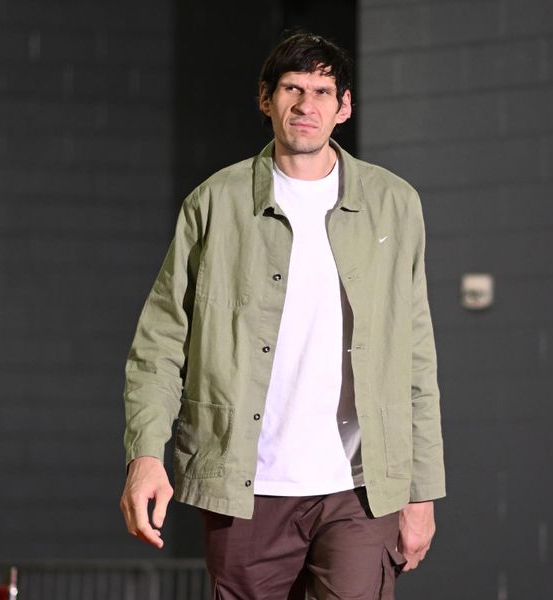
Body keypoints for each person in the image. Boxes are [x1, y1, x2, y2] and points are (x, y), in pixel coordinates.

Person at [120, 31, 445, 599]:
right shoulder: (214, 203)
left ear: (343, 107)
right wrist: (146, 455)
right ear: (265, 99)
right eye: (292, 89)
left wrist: (421, 491)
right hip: (246, 484)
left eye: (322, 91)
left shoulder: (395, 204)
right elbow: (160, 343)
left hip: (360, 488)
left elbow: (415, 353)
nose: (306, 105)